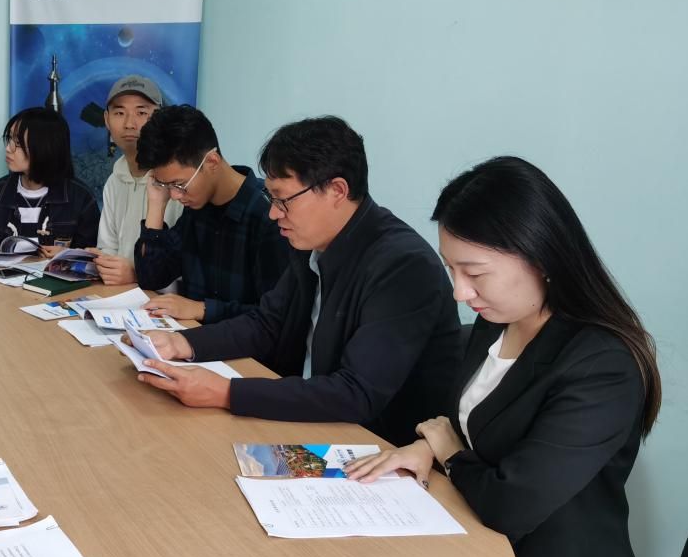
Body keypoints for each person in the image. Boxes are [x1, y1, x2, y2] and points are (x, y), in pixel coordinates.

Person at [347, 156, 660, 557]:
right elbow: (478, 422)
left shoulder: (603, 365)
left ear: (540, 257)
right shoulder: (498, 321)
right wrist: (428, 446)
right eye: (452, 270)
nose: (460, 292)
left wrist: (446, 448)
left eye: (474, 273)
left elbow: (509, 503)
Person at [134, 116, 459, 446]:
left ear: (337, 190)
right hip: (311, 418)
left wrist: (225, 392)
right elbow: (267, 323)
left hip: (376, 446)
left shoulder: (403, 266)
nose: (274, 213)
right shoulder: (312, 242)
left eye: (283, 199)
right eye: (271, 198)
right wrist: (183, 343)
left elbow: (356, 393)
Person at [132, 105, 289, 323]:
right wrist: (156, 203)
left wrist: (202, 309)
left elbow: (276, 317)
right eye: (166, 185)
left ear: (212, 162)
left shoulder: (269, 215)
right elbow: (151, 278)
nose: (175, 195)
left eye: (179, 184)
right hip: (191, 338)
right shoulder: (196, 209)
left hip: (238, 344)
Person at [88, 75, 183, 285]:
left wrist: (136, 274)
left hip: (163, 299)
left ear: (159, 118)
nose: (130, 124)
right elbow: (108, 248)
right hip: (119, 296)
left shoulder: (177, 184)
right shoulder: (114, 182)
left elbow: (185, 266)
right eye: (119, 113)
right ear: (106, 120)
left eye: (141, 113)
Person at [0, 107, 100, 252]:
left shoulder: (80, 197)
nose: (8, 148)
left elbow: (90, 256)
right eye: (9, 139)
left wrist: (66, 255)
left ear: (45, 147)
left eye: (18, 143)